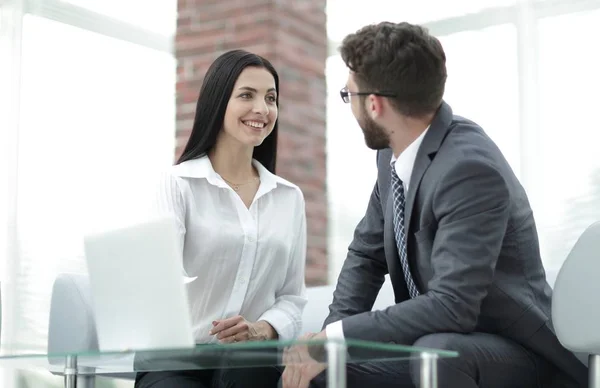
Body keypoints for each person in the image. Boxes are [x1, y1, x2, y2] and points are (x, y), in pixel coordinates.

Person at [282, 22, 588, 388]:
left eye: (350, 95)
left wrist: (337, 339)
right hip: (440, 346)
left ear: (375, 105)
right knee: (315, 373)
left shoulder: (469, 169)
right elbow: (366, 256)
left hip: (518, 353)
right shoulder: (393, 157)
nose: (352, 106)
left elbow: (453, 305)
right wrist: (328, 340)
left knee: (435, 350)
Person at [135, 49, 307, 388]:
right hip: (176, 359)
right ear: (218, 102)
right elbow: (159, 285)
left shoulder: (290, 198)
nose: (262, 109)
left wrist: (262, 329)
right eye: (247, 95)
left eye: (270, 98)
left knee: (250, 374)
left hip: (250, 364)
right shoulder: (178, 184)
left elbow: (292, 298)